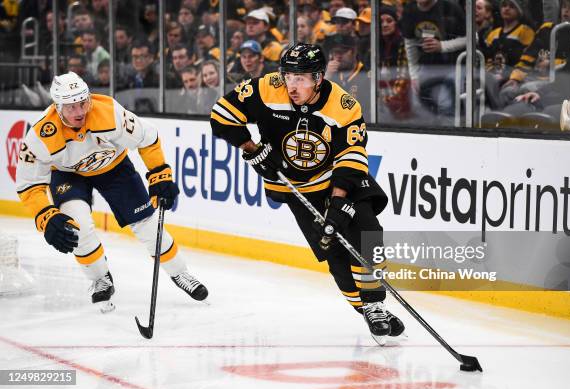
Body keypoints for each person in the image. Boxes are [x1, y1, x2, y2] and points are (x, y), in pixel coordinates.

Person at [209, 43, 405, 343]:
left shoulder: (344, 105)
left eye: (300, 78)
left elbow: (352, 156)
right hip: (297, 188)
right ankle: (364, 310)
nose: (291, 85)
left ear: (318, 78)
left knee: (367, 230)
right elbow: (222, 115)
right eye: (287, 76)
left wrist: (339, 203)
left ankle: (375, 303)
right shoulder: (265, 88)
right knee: (335, 256)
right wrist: (253, 150)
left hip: (337, 180)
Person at [15, 72, 208, 312]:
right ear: (57, 106)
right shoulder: (40, 136)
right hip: (68, 174)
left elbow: (148, 137)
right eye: (70, 106)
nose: (79, 111)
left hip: (114, 167)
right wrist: (46, 215)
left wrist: (160, 173)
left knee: (147, 223)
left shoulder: (109, 112)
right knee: (77, 226)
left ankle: (180, 274)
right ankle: (100, 278)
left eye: (82, 102)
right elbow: (28, 184)